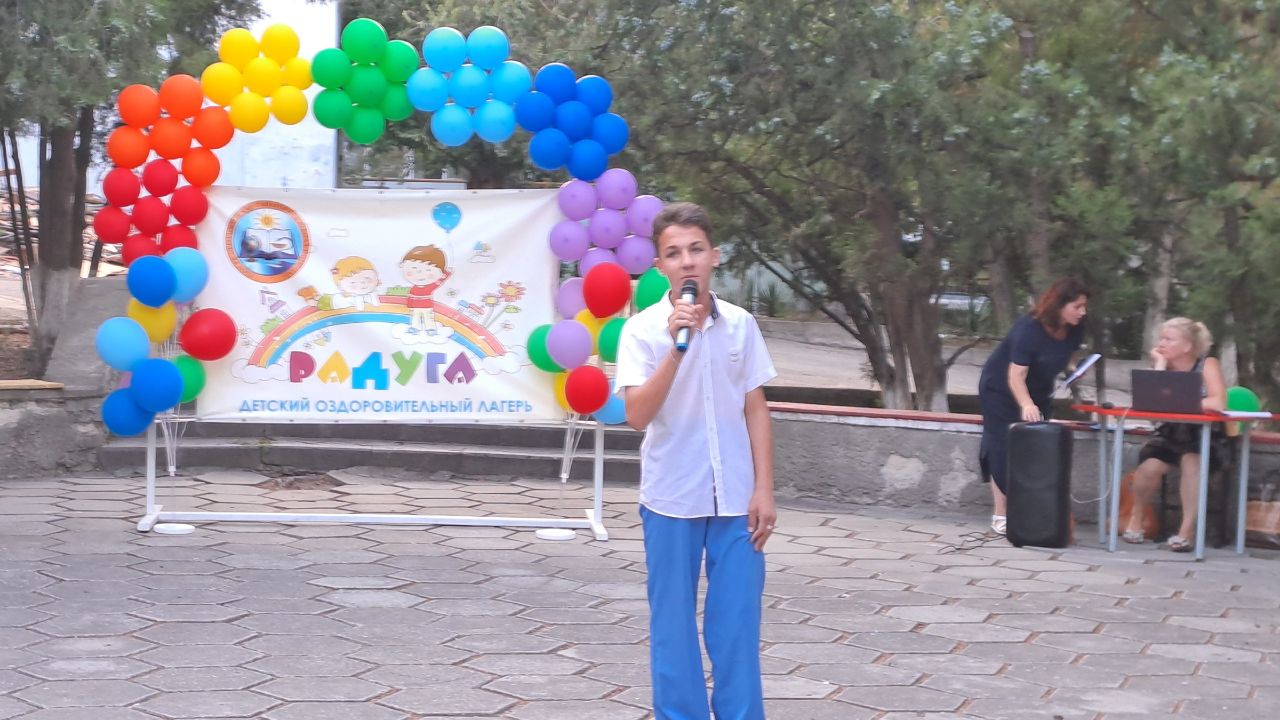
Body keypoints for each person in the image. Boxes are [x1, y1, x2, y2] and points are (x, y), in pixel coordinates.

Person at [616, 202, 777, 720]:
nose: (686, 261)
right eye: (673, 253)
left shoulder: (742, 325)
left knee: (737, 626)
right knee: (673, 628)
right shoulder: (641, 331)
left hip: (737, 499)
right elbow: (637, 415)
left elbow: (755, 407)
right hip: (671, 497)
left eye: (696, 249)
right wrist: (675, 349)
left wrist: (764, 489)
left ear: (715, 256)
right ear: (659, 265)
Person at [977, 278, 1089, 536]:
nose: (1082, 312)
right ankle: (1001, 514)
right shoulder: (1029, 328)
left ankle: (1028, 511)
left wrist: (1073, 369)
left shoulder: (1077, 326)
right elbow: (1016, 375)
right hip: (1001, 390)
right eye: (1077, 306)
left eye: (1084, 306)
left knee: (1035, 447)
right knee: (1003, 446)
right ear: (1059, 305)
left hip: (1039, 390)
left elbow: (1069, 354)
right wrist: (1026, 404)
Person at [1121, 317, 1227, 552]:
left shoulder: (1207, 365)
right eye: (1161, 338)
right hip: (1171, 434)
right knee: (1149, 467)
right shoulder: (1165, 367)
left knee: (1191, 461)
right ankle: (1137, 518)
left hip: (1204, 435)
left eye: (1169, 339)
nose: (1161, 344)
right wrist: (1159, 365)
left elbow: (1218, 401)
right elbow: (1150, 402)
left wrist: (1180, 403)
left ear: (1187, 346)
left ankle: (1186, 531)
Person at [399, 245, 451, 334]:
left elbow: (440, 281)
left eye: (428, 270)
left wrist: (447, 273)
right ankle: (415, 328)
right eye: (414, 268)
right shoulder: (413, 289)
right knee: (415, 317)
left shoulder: (430, 287)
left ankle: (431, 329)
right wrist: (410, 306)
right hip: (416, 307)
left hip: (427, 307)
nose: (419, 273)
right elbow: (411, 297)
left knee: (428, 317)